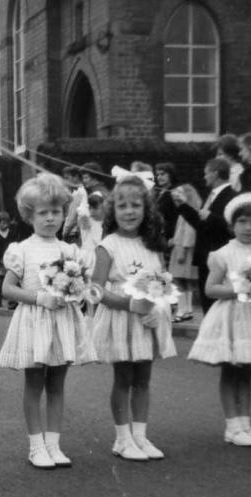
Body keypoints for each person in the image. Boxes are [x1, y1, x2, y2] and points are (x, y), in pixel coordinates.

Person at [0, 174, 96, 468]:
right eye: (43, 212)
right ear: (29, 215)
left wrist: (78, 293)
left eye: (56, 211)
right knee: (34, 384)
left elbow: (82, 282)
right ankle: (36, 445)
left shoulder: (68, 250)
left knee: (57, 385)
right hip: (35, 320)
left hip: (62, 321)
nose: (50, 218)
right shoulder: (22, 249)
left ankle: (53, 444)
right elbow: (8, 289)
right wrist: (39, 298)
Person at [186, 194, 251, 445]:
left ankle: (246, 424)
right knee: (232, 372)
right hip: (232, 318)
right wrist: (240, 290)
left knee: (247, 372)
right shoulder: (223, 254)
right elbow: (211, 289)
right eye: (242, 221)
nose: (248, 227)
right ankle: (232, 426)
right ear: (232, 225)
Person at [92, 175, 176, 461]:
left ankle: (140, 436)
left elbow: (163, 282)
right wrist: (129, 303)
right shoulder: (108, 246)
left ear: (146, 209)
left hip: (147, 320)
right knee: (124, 377)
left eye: (136, 205)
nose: (129, 212)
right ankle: (122, 438)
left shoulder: (153, 245)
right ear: (113, 211)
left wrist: (159, 308)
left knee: (144, 378)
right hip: (121, 318)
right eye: (123, 206)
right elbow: (94, 291)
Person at [172, 157, 237, 312]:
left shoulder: (231, 196)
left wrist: (211, 216)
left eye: (206, 173)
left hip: (218, 256)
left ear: (215, 173)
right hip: (205, 256)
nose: (204, 177)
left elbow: (231, 226)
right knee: (206, 302)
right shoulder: (212, 195)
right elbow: (201, 226)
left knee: (215, 304)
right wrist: (182, 206)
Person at [167, 183, 201, 322]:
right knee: (186, 282)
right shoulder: (190, 210)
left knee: (178, 281)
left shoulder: (187, 212)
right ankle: (187, 309)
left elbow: (188, 233)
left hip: (183, 250)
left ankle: (182, 310)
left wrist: (181, 251)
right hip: (183, 248)